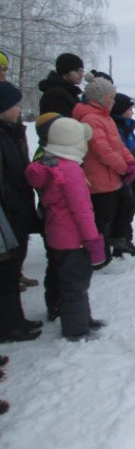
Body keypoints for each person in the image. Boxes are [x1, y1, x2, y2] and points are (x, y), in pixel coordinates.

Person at [25, 115, 106, 340]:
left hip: (57, 234)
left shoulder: (51, 164)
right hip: (74, 239)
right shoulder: (70, 170)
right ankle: (77, 330)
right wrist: (92, 239)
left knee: (67, 279)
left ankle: (79, 318)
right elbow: (81, 210)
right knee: (76, 285)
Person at [72, 74, 135, 269]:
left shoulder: (104, 118)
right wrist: (124, 168)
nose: (113, 101)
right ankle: (98, 258)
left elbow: (117, 144)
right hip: (98, 180)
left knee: (108, 217)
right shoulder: (91, 119)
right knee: (101, 221)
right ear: (99, 98)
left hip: (110, 178)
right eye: (111, 97)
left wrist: (130, 161)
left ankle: (103, 254)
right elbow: (103, 151)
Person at [0, 82, 42, 343]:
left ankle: (15, 320)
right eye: (15, 105)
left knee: (12, 270)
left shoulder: (11, 132)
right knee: (6, 273)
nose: (18, 109)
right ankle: (9, 326)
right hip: (6, 216)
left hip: (17, 212)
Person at [0, 51, 37, 291]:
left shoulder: (8, 99)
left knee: (17, 242)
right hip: (7, 197)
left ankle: (15, 276)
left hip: (16, 190)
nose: (3, 72)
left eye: (4, 68)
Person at [110, 93, 135, 258]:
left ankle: (126, 240)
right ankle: (120, 244)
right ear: (120, 110)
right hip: (126, 179)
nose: (132, 112)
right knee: (122, 212)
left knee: (129, 211)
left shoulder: (126, 127)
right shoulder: (118, 129)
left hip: (134, 178)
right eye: (129, 109)